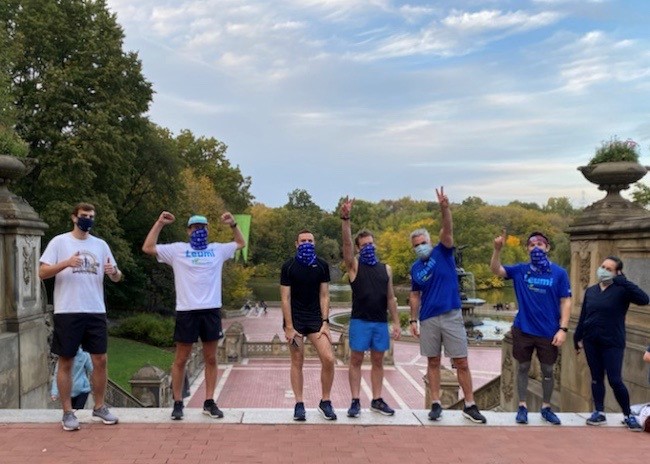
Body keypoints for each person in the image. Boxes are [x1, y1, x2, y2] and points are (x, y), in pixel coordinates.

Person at [142, 211, 245, 420]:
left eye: (203, 227)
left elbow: (240, 243)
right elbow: (148, 247)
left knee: (211, 358)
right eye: (195, 227)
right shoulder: (178, 250)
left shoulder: (217, 250)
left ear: (207, 230)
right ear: (189, 230)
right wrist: (159, 223)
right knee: (181, 359)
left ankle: (209, 401)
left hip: (211, 309)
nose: (199, 231)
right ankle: (178, 403)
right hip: (187, 310)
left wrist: (233, 224)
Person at [39, 202, 123, 431]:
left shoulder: (101, 244)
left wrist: (113, 272)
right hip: (68, 310)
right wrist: (67, 263)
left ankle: (99, 406)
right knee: (67, 360)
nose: (88, 219)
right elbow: (42, 272)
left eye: (91, 216)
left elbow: (117, 276)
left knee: (100, 360)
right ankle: (68, 412)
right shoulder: (60, 242)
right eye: (84, 215)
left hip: (95, 309)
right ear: (74, 217)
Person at [409, 187, 487, 424]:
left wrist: (445, 208)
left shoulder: (442, 252)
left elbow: (448, 229)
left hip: (452, 315)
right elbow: (414, 296)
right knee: (433, 361)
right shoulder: (415, 268)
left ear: (430, 242)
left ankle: (470, 404)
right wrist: (413, 319)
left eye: (423, 242)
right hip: (429, 318)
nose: (420, 247)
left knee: (461, 361)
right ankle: (436, 403)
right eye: (416, 245)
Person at [490, 229, 571, 425]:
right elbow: (496, 270)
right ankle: (522, 406)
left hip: (548, 331)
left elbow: (565, 301)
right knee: (523, 367)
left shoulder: (559, 273)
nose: (536, 248)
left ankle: (546, 407)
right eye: (532, 245)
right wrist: (497, 250)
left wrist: (563, 329)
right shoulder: (520, 270)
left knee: (548, 370)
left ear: (547, 247)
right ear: (527, 249)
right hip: (523, 329)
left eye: (540, 244)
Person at [340, 197, 401, 418]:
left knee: (378, 361)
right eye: (363, 245)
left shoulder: (386, 269)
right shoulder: (354, 266)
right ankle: (355, 400)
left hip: (379, 322)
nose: (368, 247)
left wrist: (396, 322)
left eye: (370, 244)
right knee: (355, 360)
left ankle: (377, 399)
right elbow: (346, 246)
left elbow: (392, 298)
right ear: (358, 248)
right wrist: (346, 219)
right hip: (360, 321)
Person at [574, 256, 648, 431]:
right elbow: (584, 315)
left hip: (613, 342)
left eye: (609, 269)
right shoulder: (591, 291)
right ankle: (599, 412)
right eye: (602, 267)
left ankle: (628, 414)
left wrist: (624, 281)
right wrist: (577, 337)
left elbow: (644, 299)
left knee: (615, 380)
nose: (603, 271)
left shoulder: (622, 290)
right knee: (596, 378)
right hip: (591, 340)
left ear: (617, 272)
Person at [280, 229, 337, 421]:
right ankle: (299, 404)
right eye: (303, 240)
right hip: (294, 321)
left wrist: (326, 322)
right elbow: (285, 298)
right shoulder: (288, 266)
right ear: (296, 244)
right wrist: (288, 326)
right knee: (297, 359)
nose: (306, 243)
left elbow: (324, 295)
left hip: (315, 320)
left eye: (310, 240)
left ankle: (325, 401)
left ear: (314, 243)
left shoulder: (321, 266)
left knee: (328, 358)